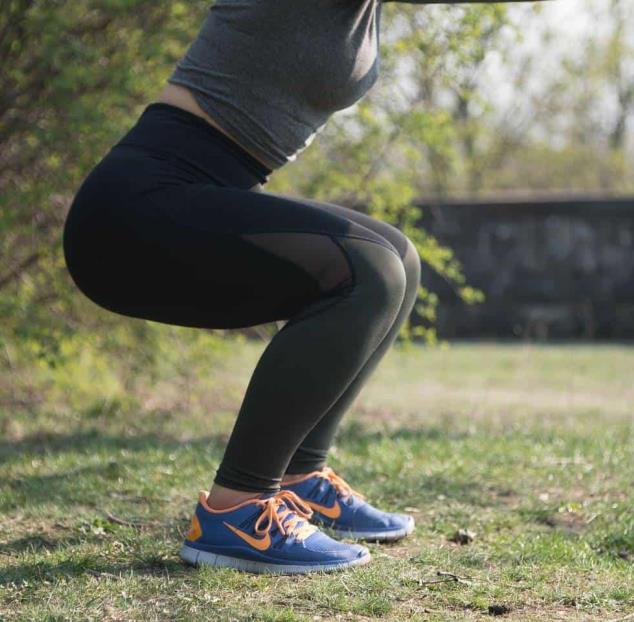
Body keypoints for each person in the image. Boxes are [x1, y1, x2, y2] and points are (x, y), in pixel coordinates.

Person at [62, 0, 530, 575]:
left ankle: (299, 479)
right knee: (368, 273)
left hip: (190, 194)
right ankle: (236, 509)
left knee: (399, 262)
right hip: (134, 210)